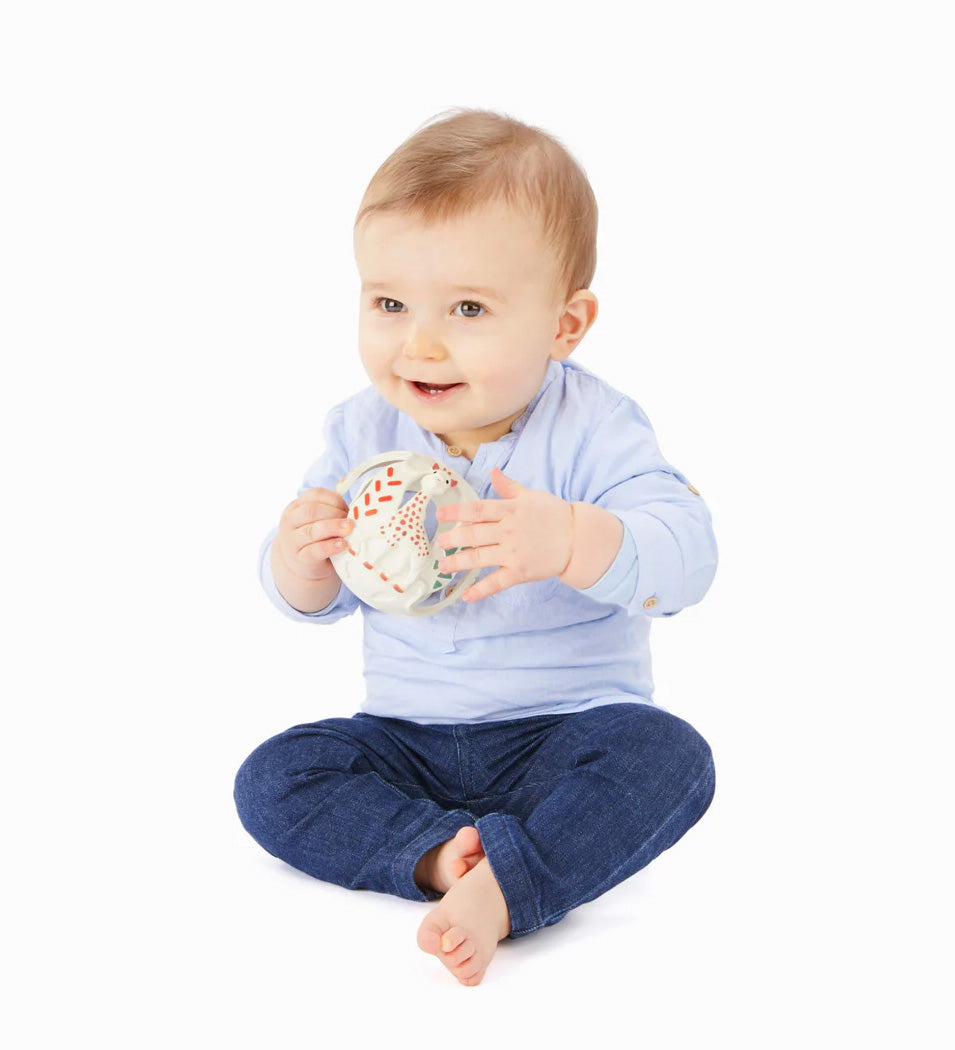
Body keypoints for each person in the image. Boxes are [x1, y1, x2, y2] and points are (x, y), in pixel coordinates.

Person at [234, 108, 718, 987]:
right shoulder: (363, 430)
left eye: (467, 308)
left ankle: (508, 887)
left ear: (565, 326)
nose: (418, 342)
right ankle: (433, 855)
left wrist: (571, 538)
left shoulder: (594, 430)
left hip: (566, 736)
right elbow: (322, 598)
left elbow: (687, 558)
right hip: (407, 742)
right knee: (275, 777)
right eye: (388, 303)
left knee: (669, 757)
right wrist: (299, 562)